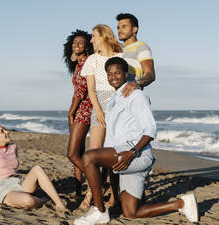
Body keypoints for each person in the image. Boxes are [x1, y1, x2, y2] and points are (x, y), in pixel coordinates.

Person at [74, 57, 199, 225]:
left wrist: (132, 153)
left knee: (89, 157)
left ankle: (99, 211)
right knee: (132, 212)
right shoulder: (114, 100)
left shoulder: (136, 95)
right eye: (109, 74)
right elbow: (113, 140)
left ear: (126, 74)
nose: (113, 77)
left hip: (136, 155)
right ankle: (182, 203)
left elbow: (150, 129)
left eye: (117, 72)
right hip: (123, 157)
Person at [0, 123, 67, 212]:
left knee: (37, 168)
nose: (7, 132)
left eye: (5, 129)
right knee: (29, 201)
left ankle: (59, 203)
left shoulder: (13, 147)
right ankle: (43, 200)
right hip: (5, 187)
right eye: (2, 131)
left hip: (20, 182)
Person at [79, 24, 123, 209]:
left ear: (104, 36)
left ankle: (114, 195)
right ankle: (91, 194)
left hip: (118, 104)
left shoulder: (121, 58)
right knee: (94, 151)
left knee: (114, 152)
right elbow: (90, 90)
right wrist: (98, 110)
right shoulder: (92, 60)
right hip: (99, 105)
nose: (91, 40)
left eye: (93, 36)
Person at [63, 30, 94, 198]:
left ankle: (96, 181)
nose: (77, 45)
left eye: (81, 43)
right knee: (79, 152)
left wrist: (71, 111)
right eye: (75, 42)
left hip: (85, 109)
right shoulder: (78, 64)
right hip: (79, 109)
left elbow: (81, 90)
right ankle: (77, 191)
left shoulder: (88, 62)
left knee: (72, 154)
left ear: (87, 46)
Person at [116, 13, 156, 97]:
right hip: (118, 97)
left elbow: (150, 75)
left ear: (134, 29)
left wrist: (136, 83)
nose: (119, 30)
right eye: (118, 27)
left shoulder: (141, 46)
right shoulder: (119, 50)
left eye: (124, 27)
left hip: (132, 96)